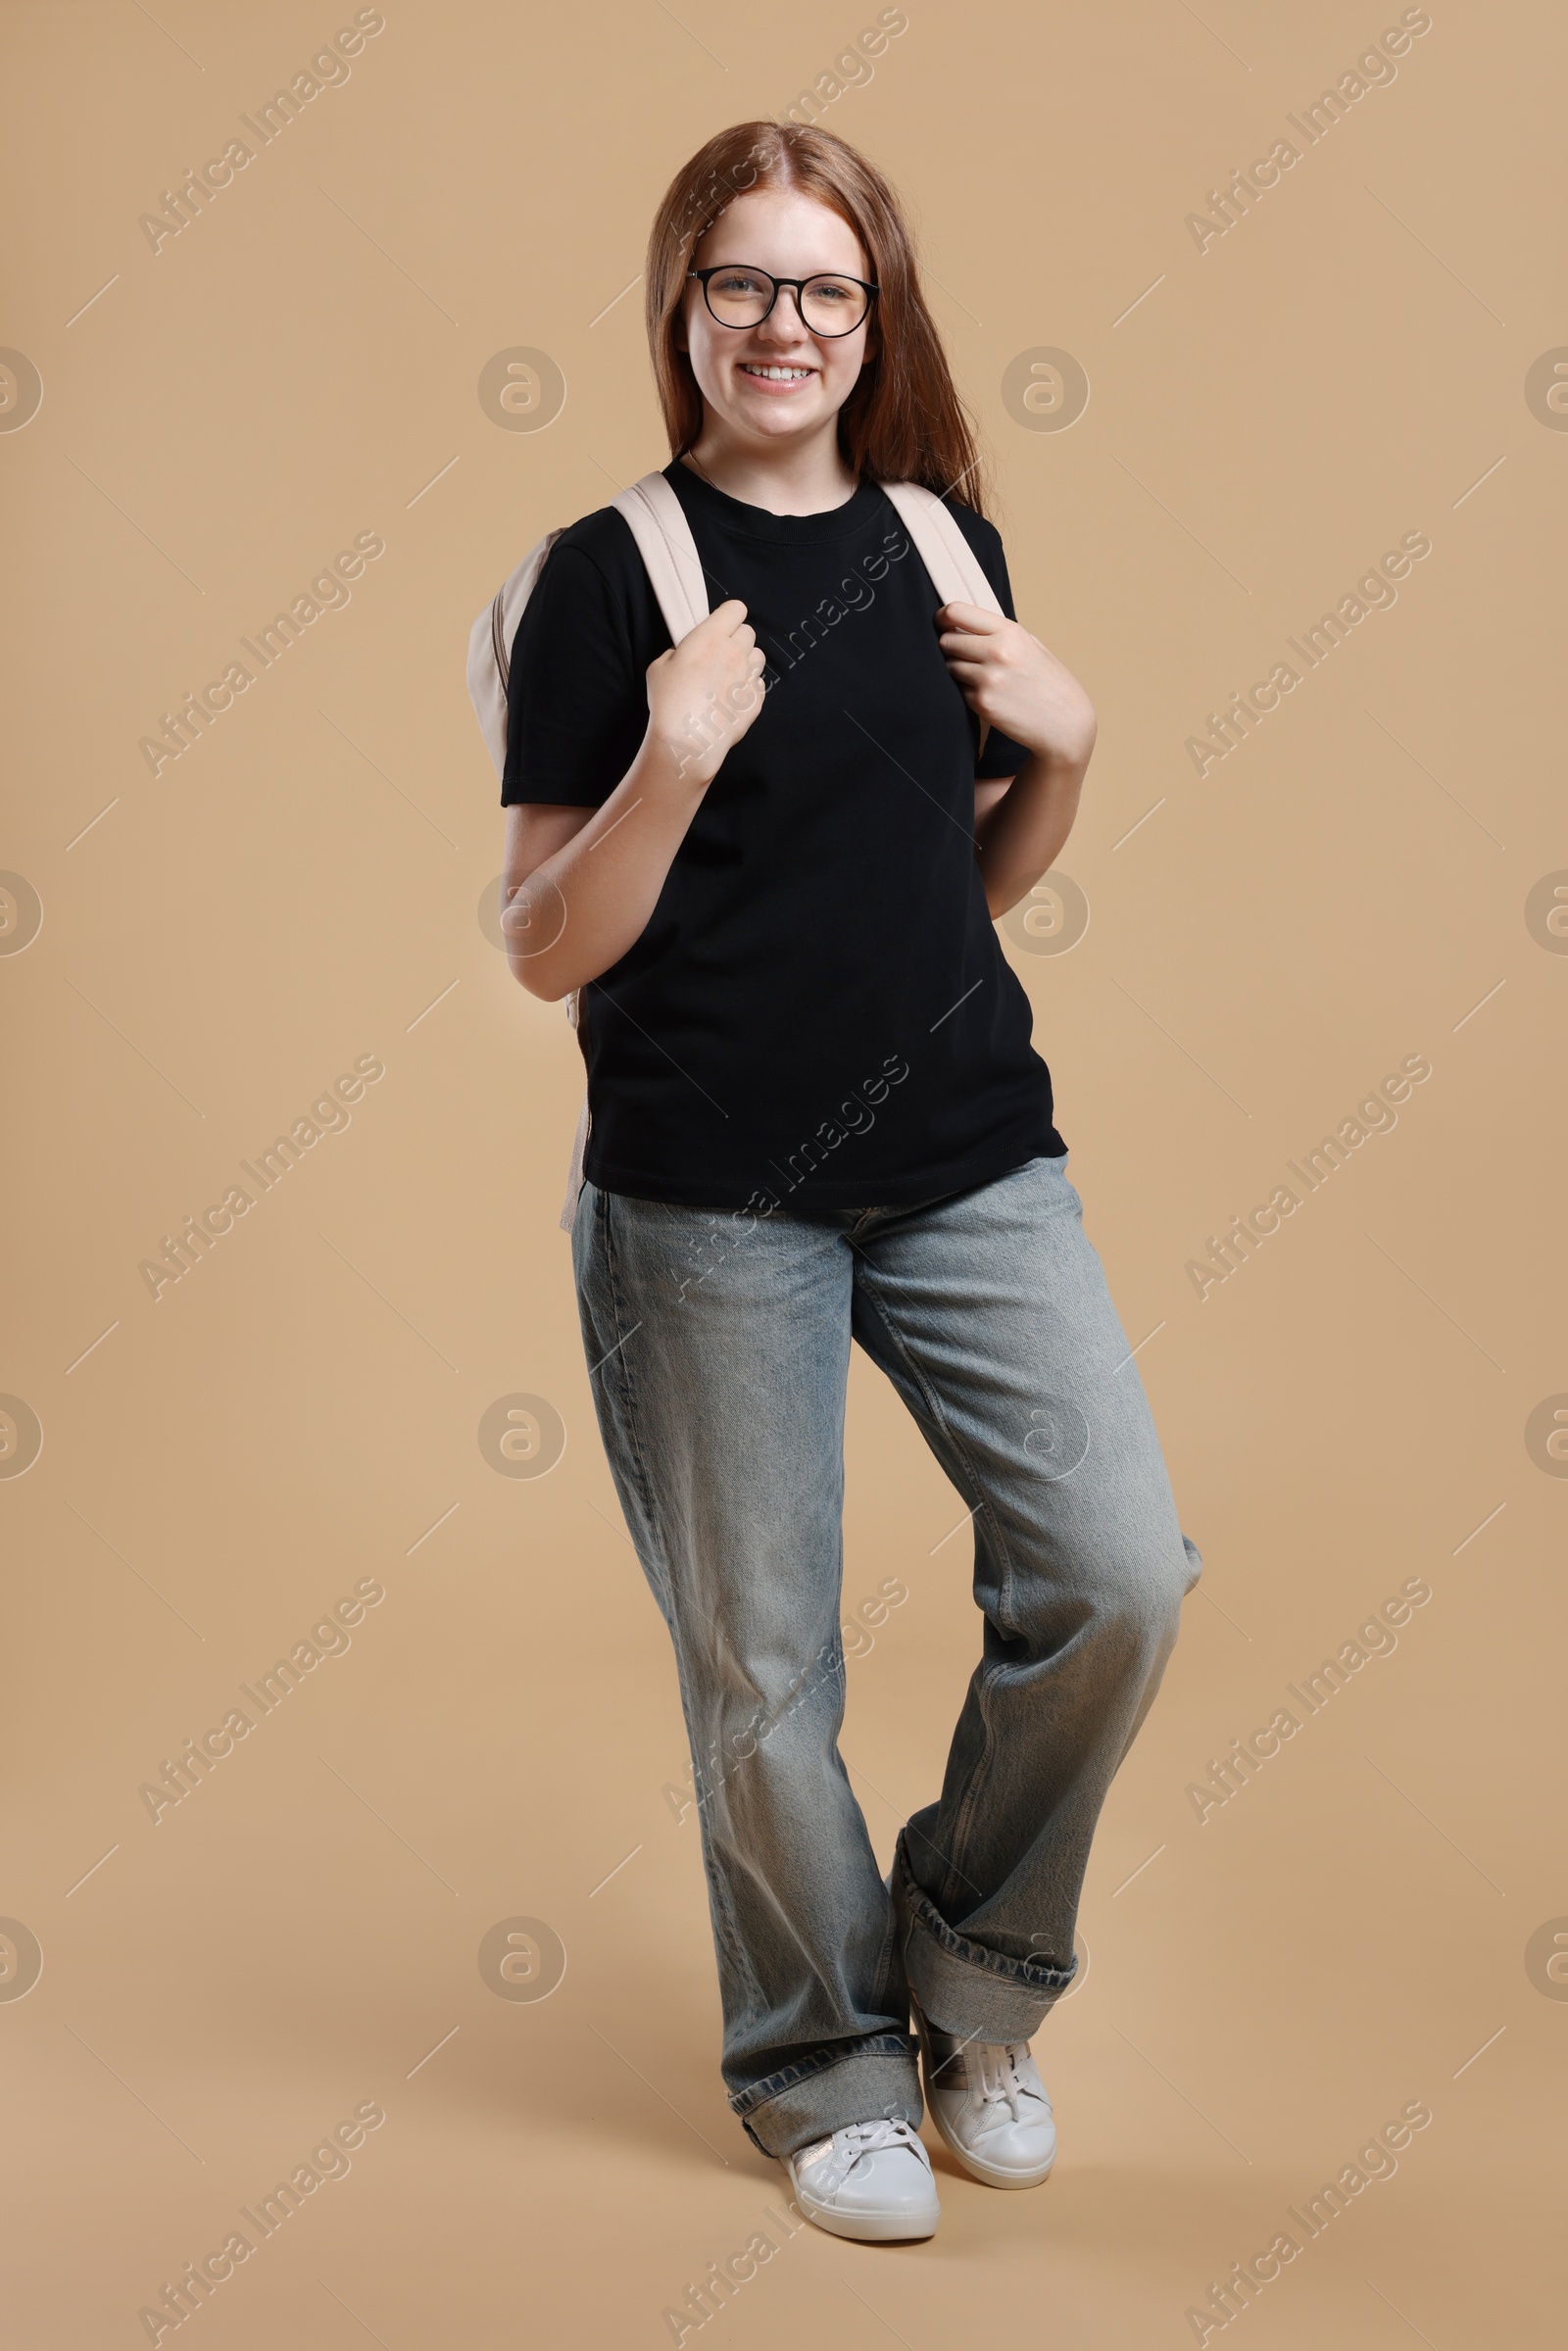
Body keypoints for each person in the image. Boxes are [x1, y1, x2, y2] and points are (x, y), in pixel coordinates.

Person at [498, 119, 1202, 2244]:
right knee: (764, 1671)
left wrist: (1064, 753)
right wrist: (669, 754)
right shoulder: (606, 574)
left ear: (871, 311)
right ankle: (819, 2071)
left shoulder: (938, 539)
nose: (779, 324)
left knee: (1115, 1575)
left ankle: (969, 1988)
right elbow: (540, 940)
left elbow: (955, 893)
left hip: (966, 1162)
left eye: (821, 286)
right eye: (739, 283)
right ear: (679, 309)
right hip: (710, 1202)